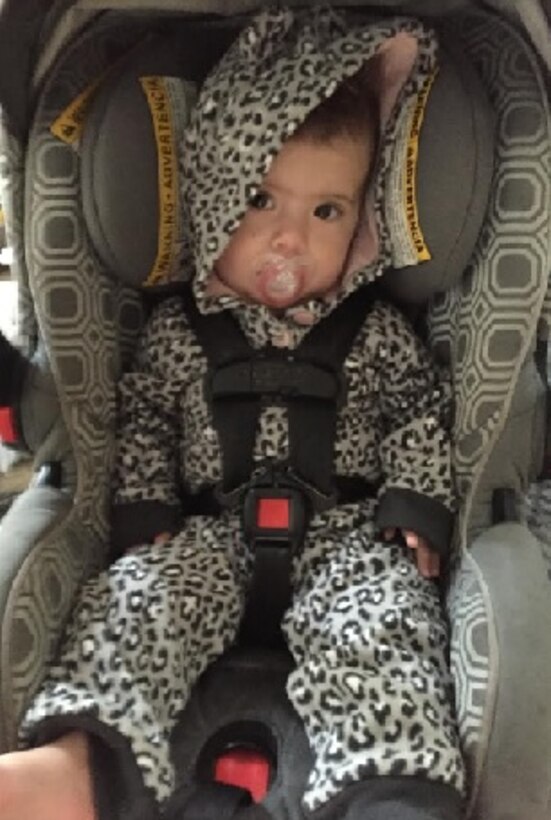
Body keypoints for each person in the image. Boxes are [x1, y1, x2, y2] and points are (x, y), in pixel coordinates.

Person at [0, 9, 465, 820]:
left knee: (383, 626)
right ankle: (79, 768)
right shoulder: (180, 332)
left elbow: (420, 415)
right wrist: (143, 509)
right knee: (136, 603)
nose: (291, 241)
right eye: (260, 200)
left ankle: (388, 790)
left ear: (362, 221)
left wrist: (412, 505)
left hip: (347, 535)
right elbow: (140, 418)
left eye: (327, 212)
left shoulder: (377, 331)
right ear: (213, 197)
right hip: (202, 534)